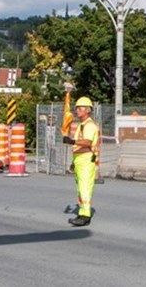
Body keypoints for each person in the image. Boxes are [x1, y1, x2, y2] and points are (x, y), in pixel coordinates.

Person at [63, 96, 99, 227]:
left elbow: (88, 142)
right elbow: (79, 146)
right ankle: (82, 212)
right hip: (80, 160)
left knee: (85, 188)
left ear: (88, 110)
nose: (77, 110)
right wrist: (74, 162)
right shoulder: (82, 125)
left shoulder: (89, 126)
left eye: (80, 108)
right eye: (77, 108)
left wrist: (71, 141)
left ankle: (85, 216)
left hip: (86, 160)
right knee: (80, 189)